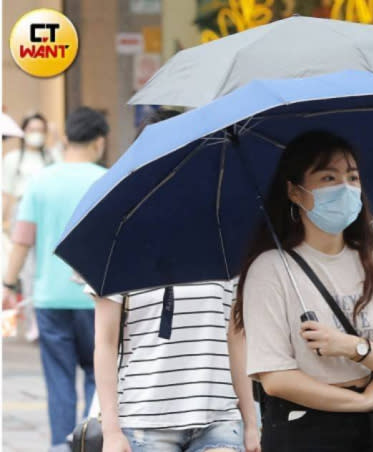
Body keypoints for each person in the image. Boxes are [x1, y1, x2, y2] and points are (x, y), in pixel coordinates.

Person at [235, 131, 373, 451]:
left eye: (352, 177)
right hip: (303, 430)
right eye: (328, 177)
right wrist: (359, 402)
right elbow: (276, 378)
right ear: (295, 192)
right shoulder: (270, 269)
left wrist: (355, 348)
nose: (345, 187)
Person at [91, 108, 260, 452]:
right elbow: (105, 344)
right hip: (143, 423)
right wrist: (111, 431)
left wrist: (252, 422)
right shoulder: (118, 242)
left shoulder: (224, 240)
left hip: (219, 420)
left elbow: (235, 336)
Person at [2, 107, 109, 449]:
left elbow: (22, 240)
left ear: (65, 139)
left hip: (49, 299)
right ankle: (92, 442)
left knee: (59, 380)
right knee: (99, 375)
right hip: (97, 298)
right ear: (100, 142)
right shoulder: (106, 180)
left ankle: (60, 446)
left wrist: (7, 286)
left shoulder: (40, 181)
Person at [2, 113, 58, 342]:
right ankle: (30, 323)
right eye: (32, 128)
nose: (36, 133)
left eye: (40, 129)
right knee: (24, 272)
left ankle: (40, 322)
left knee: (43, 268)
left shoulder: (52, 157)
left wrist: (56, 139)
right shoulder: (13, 158)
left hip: (47, 216)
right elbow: (6, 193)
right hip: (22, 214)